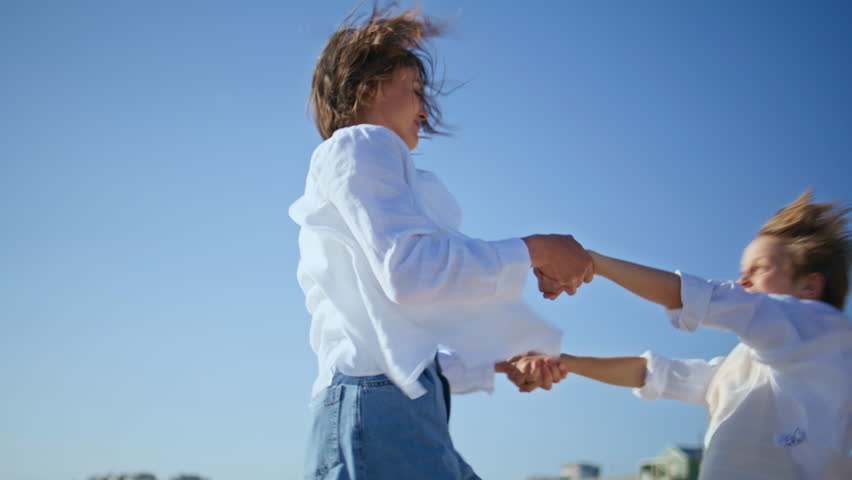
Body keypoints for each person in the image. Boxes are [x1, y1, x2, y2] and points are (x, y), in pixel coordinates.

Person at [289, 6, 591, 479]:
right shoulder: (363, 143)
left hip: (393, 409)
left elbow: (405, 339)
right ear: (367, 87)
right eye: (413, 92)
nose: (425, 112)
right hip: (381, 411)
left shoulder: (370, 165)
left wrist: (498, 362)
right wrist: (535, 249)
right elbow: (413, 273)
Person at [502, 190, 852, 479]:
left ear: (809, 285)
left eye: (759, 269)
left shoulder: (821, 331)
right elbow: (653, 373)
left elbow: (702, 298)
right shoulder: (741, 367)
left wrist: (592, 262)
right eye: (741, 271)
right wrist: (565, 362)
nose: (742, 281)